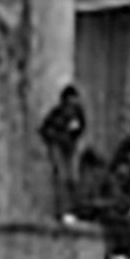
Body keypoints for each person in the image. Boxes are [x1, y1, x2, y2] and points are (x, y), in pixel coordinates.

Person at [40, 84, 87, 221]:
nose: (74, 102)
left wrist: (72, 136)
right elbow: (45, 129)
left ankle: (71, 210)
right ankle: (64, 210)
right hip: (59, 146)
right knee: (62, 177)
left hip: (69, 148)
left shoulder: (77, 112)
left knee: (71, 178)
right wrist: (56, 137)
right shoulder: (59, 112)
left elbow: (80, 127)